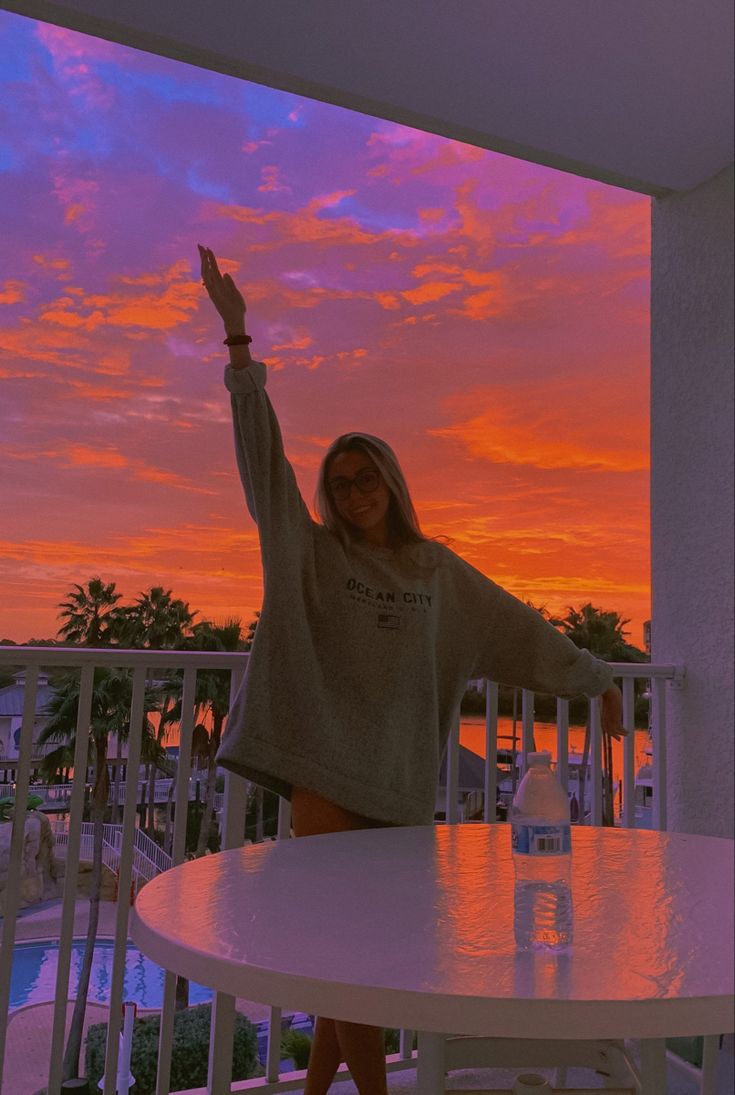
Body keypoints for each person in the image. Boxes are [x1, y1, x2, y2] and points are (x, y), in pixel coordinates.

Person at [198, 243, 626, 1095]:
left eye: (367, 478)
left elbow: (518, 629)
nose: (354, 492)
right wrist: (238, 341)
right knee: (343, 958)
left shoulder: (437, 572)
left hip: (397, 784)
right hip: (324, 770)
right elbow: (262, 462)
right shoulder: (308, 553)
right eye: (340, 482)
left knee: (352, 960)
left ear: (392, 483)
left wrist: (597, 679)